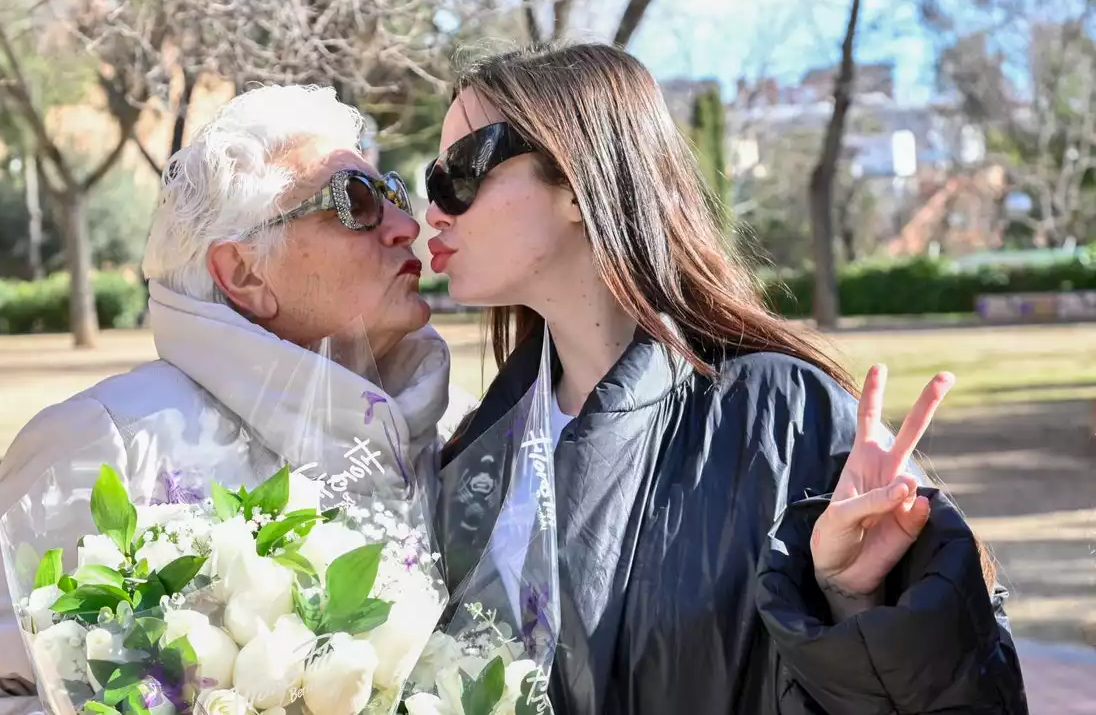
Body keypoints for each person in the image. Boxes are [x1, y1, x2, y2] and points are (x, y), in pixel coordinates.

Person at [425, 42, 1028, 714]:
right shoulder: (472, 454)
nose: (435, 209)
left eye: (461, 169)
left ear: (574, 177)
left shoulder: (785, 419)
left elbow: (966, 689)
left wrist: (848, 598)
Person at [0, 84, 474, 714]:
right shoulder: (110, 441)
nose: (407, 227)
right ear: (244, 273)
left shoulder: (458, 428)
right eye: (354, 205)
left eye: (392, 195)